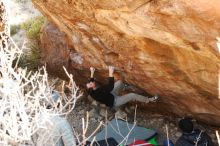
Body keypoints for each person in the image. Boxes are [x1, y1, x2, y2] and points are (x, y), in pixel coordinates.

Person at [86, 66, 158, 107]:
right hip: (114, 101)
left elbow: (91, 80)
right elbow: (110, 86)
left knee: (120, 83)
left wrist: (92, 72)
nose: (91, 82)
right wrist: (110, 72)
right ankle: (150, 100)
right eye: (90, 84)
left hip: (110, 94)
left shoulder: (91, 90)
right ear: (92, 88)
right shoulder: (99, 92)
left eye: (89, 83)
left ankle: (124, 87)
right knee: (132, 95)